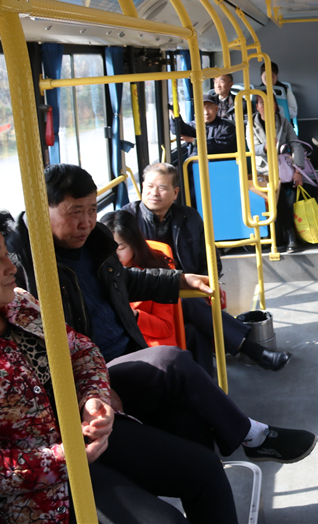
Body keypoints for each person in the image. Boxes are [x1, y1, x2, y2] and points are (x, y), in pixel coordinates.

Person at [0, 205, 237, 524]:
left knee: (204, 470)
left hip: (79, 435)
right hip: (25, 492)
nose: (11, 267)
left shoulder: (18, 305)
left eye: (7, 255)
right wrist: (62, 458)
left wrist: (93, 397)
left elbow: (81, 350)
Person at [7, 164, 318, 466]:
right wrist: (89, 388)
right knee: (172, 359)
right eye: (75, 212)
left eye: (91, 210)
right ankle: (254, 435)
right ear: (41, 209)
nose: (86, 222)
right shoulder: (21, 267)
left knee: (193, 430)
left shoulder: (95, 241)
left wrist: (180, 279)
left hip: (128, 352)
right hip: (91, 375)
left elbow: (123, 280)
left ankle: (215, 470)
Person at [121, 163, 291, 370]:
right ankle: (253, 351)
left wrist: (206, 283)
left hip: (188, 292)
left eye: (162, 187)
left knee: (194, 329)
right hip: (148, 299)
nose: (154, 193)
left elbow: (210, 259)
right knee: (186, 302)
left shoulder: (189, 217)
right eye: (149, 186)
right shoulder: (126, 220)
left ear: (175, 193)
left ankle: (209, 383)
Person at [103, 209, 179, 348]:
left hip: (150, 346)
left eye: (120, 248)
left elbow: (165, 327)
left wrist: (133, 315)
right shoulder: (95, 273)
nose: (114, 255)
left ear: (134, 244)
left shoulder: (157, 272)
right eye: (107, 248)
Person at [250, 94, 305, 253]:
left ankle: (292, 233)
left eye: (270, 102)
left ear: (275, 105)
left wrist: (298, 170)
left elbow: (296, 144)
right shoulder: (250, 125)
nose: (266, 106)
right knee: (276, 194)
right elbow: (251, 147)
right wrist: (265, 147)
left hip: (283, 170)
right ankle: (288, 234)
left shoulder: (283, 122)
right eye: (262, 103)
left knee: (287, 192)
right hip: (263, 171)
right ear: (257, 107)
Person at [171, 94, 237, 158]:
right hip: (196, 163)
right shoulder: (193, 125)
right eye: (201, 108)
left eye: (209, 108)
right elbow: (178, 130)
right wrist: (175, 115)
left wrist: (194, 141)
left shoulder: (227, 127)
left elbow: (219, 146)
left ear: (216, 109)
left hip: (219, 163)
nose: (206, 113)